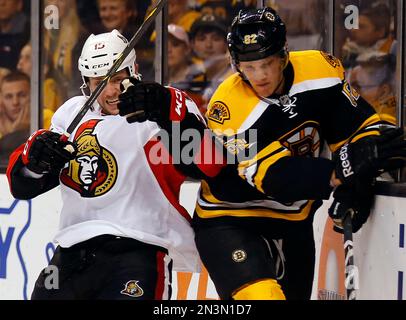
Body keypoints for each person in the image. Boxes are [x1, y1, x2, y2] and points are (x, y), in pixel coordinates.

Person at [116, 7, 406, 300]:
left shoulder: (322, 70)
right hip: (230, 219)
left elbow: (359, 128)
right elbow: (274, 176)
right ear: (235, 64)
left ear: (284, 55)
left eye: (267, 63)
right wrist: (340, 172)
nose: (260, 75)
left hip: (295, 224)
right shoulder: (229, 107)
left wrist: (360, 178)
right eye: (249, 67)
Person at [6, 29, 210, 300]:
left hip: (140, 249)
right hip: (71, 254)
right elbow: (23, 187)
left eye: (117, 78)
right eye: (99, 82)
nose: (110, 91)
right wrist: (35, 159)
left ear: (133, 69)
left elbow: (204, 164)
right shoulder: (71, 114)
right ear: (86, 82)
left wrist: (168, 114)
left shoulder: (162, 104)